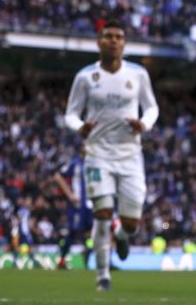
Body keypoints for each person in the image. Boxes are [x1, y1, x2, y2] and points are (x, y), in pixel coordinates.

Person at [64, 20, 158, 291]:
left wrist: (145, 124)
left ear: (124, 43)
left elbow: (151, 108)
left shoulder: (138, 75)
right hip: (97, 154)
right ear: (99, 42)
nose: (114, 41)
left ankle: (123, 236)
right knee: (102, 213)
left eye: (119, 37)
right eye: (108, 36)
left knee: (131, 223)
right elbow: (70, 113)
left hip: (130, 155)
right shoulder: (85, 77)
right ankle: (102, 275)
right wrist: (80, 127)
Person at [52, 147, 93, 271]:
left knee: (96, 232)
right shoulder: (75, 163)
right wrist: (70, 195)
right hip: (77, 206)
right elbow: (58, 176)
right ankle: (62, 260)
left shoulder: (95, 164)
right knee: (73, 233)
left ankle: (92, 254)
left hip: (90, 205)